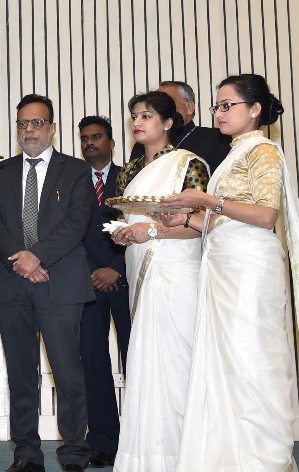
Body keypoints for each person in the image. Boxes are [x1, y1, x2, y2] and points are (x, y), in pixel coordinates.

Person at [158, 74, 299, 472]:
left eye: (227, 105)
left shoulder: (263, 151)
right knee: (223, 364)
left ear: (254, 109)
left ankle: (263, 458)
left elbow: (265, 215)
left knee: (251, 359)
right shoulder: (235, 153)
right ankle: (229, 456)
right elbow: (224, 220)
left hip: (250, 271)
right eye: (216, 106)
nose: (219, 113)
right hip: (223, 266)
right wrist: (186, 217)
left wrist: (206, 200)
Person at [0, 93, 95, 472]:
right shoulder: (1, 172)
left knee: (67, 372)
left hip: (60, 284)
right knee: (21, 373)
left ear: (53, 128)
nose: (29, 130)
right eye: (23, 124)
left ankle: (75, 453)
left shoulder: (75, 171)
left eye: (37, 123)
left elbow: (77, 223)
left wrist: (37, 257)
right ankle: (26, 453)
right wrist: (22, 260)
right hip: (14, 284)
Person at [110, 91, 209, 471]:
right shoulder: (129, 171)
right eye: (135, 115)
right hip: (140, 271)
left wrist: (149, 232)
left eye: (147, 116)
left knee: (178, 363)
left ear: (168, 123)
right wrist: (124, 234)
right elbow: (130, 222)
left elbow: (201, 225)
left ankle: (187, 457)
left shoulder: (189, 164)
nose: (137, 122)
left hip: (178, 272)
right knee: (145, 364)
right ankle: (150, 457)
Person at [76, 116, 130, 469]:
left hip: (126, 281)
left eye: (96, 137)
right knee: (94, 364)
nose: (90, 143)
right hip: (87, 283)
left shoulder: (131, 177)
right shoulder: (73, 180)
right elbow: (67, 231)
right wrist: (91, 272)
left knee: (136, 359)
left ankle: (139, 438)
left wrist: (117, 269)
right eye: (84, 139)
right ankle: (103, 442)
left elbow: (144, 226)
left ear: (111, 143)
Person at [130, 81, 231, 173]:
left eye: (167, 101)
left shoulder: (218, 139)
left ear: (189, 107)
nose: (159, 107)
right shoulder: (141, 146)